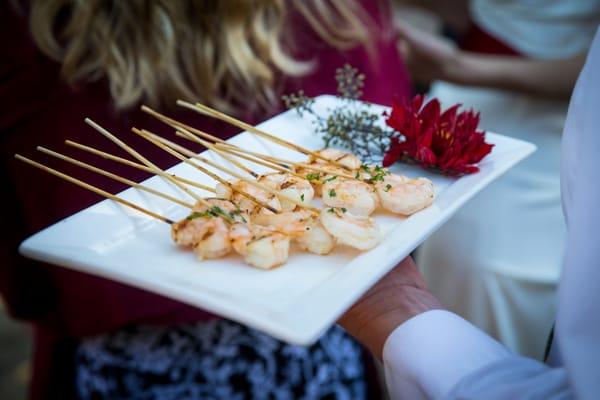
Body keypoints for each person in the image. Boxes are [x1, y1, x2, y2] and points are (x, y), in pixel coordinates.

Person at [0, 1, 410, 398]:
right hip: (320, 351)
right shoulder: (339, 15)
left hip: (119, 358)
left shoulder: (28, 30)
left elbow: (27, 274)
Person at [339, 25, 600, 399]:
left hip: (538, 129)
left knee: (490, 272)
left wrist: (407, 323)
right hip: (462, 94)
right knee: (446, 252)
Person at [396, 0, 600, 358]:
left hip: (547, 132)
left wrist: (459, 67)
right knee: (442, 255)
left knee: (493, 275)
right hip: (458, 105)